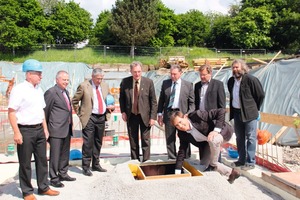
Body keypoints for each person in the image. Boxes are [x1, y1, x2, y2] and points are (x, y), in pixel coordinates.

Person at [8, 59, 59, 200]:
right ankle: (27, 191)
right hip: (25, 130)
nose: (41, 76)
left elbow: (41, 111)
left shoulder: (38, 90)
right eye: (39, 74)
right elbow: (11, 112)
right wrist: (16, 132)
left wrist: (45, 129)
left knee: (42, 160)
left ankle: (43, 187)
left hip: (39, 130)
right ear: (29, 74)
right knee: (25, 162)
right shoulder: (19, 90)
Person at [170, 109, 240, 184]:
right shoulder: (182, 134)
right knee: (204, 165)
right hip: (207, 142)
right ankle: (232, 173)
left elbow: (221, 111)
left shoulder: (197, 115)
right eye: (177, 125)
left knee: (213, 142)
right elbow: (182, 152)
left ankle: (213, 164)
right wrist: (177, 172)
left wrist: (216, 130)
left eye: (180, 122)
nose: (180, 126)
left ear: (185, 117)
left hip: (223, 132)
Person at [72, 68, 114, 176]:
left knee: (98, 142)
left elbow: (108, 98)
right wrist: (80, 114)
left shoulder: (104, 86)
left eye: (101, 78)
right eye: (97, 79)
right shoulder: (84, 86)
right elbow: (75, 100)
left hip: (101, 117)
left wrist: (110, 107)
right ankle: (86, 166)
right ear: (92, 76)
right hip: (90, 117)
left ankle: (96, 164)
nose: (99, 81)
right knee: (88, 143)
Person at [227, 59, 265, 170]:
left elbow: (260, 95)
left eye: (237, 67)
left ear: (243, 68)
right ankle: (241, 160)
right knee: (239, 137)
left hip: (249, 113)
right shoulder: (231, 81)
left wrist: (254, 108)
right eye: (233, 68)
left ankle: (250, 162)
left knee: (251, 137)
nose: (235, 70)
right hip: (237, 112)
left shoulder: (251, 80)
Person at [119, 61, 157, 162]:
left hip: (145, 116)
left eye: (139, 71)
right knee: (133, 140)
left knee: (146, 140)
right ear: (131, 71)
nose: (137, 74)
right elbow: (121, 98)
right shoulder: (125, 82)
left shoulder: (148, 82)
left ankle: (146, 160)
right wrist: (123, 112)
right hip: (131, 115)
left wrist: (153, 117)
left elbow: (153, 101)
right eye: (135, 72)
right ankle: (135, 160)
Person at [44, 70, 76, 188]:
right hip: (55, 129)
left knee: (64, 153)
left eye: (67, 80)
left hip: (66, 128)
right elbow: (45, 112)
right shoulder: (51, 93)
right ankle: (54, 177)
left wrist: (70, 123)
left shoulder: (65, 92)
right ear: (57, 80)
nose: (66, 82)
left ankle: (63, 173)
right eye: (64, 80)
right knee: (55, 154)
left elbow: (68, 110)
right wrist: (46, 129)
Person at [157, 65, 195, 159]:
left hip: (182, 114)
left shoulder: (188, 85)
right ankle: (172, 157)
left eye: (174, 74)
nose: (172, 76)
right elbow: (162, 100)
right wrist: (159, 113)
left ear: (180, 73)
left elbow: (192, 102)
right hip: (169, 113)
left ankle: (185, 156)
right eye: (171, 74)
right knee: (170, 137)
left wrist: (188, 113)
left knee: (184, 137)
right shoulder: (166, 83)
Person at [194, 64, 226, 170]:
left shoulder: (218, 85)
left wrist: (219, 123)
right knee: (203, 141)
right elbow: (196, 103)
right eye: (200, 75)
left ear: (210, 73)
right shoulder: (197, 85)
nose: (202, 77)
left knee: (214, 142)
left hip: (213, 119)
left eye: (204, 75)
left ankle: (216, 165)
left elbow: (222, 106)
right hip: (201, 118)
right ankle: (205, 162)